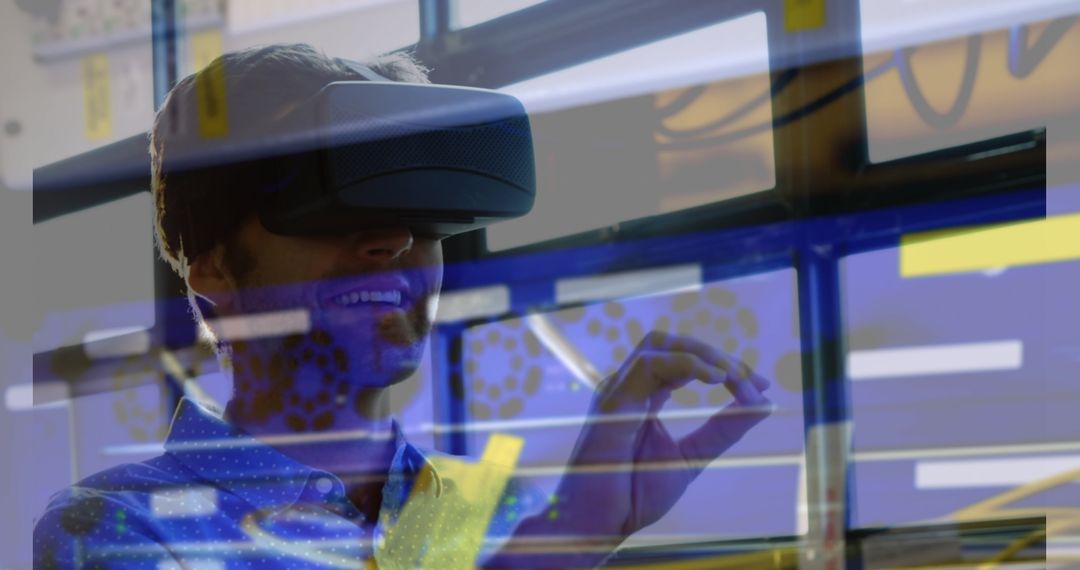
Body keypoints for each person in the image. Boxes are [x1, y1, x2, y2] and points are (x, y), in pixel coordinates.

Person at [34, 43, 772, 569]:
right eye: (329, 208)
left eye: (422, 214)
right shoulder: (116, 528)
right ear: (215, 273)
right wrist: (570, 541)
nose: (393, 240)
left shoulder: (498, 515)